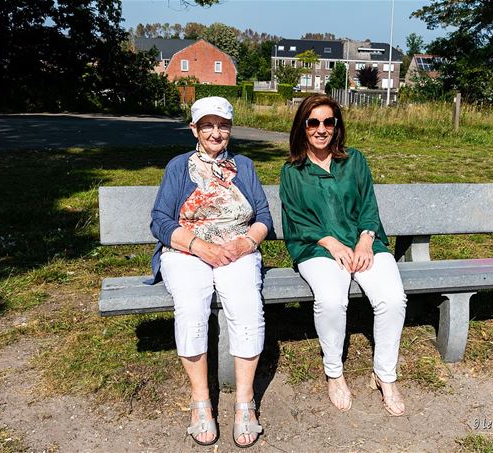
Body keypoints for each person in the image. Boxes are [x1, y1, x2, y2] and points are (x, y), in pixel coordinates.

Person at [150, 96, 272, 447]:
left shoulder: (245, 166)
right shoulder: (178, 167)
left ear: (230, 130)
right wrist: (199, 246)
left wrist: (245, 244)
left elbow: (263, 217)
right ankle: (201, 402)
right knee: (191, 305)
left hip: (237, 249)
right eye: (208, 125)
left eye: (222, 125)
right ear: (195, 129)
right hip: (188, 250)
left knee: (247, 304)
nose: (216, 133)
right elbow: (159, 220)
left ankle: (244, 403)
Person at [279, 94, 407, 416]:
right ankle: (334, 373)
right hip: (316, 247)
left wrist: (365, 239)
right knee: (332, 300)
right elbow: (298, 218)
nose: (321, 129)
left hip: (363, 243)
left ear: (336, 126)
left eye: (328, 122)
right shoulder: (292, 171)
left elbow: (368, 206)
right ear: (302, 127)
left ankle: (386, 375)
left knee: (393, 299)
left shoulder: (355, 160)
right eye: (313, 122)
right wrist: (333, 244)